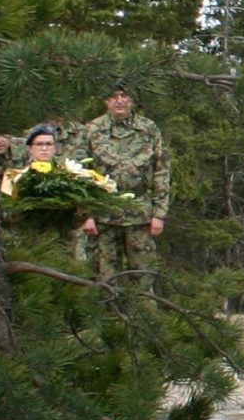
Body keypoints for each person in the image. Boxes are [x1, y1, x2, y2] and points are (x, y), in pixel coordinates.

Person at [73, 87, 171, 279]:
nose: (119, 101)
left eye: (124, 96)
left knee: (143, 275)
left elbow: (162, 171)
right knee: (104, 277)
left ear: (132, 100)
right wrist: (85, 214)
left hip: (139, 214)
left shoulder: (148, 128)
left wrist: (159, 214)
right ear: (106, 101)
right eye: (114, 96)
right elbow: (80, 173)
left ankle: (145, 308)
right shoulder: (91, 129)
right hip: (103, 216)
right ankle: (107, 308)